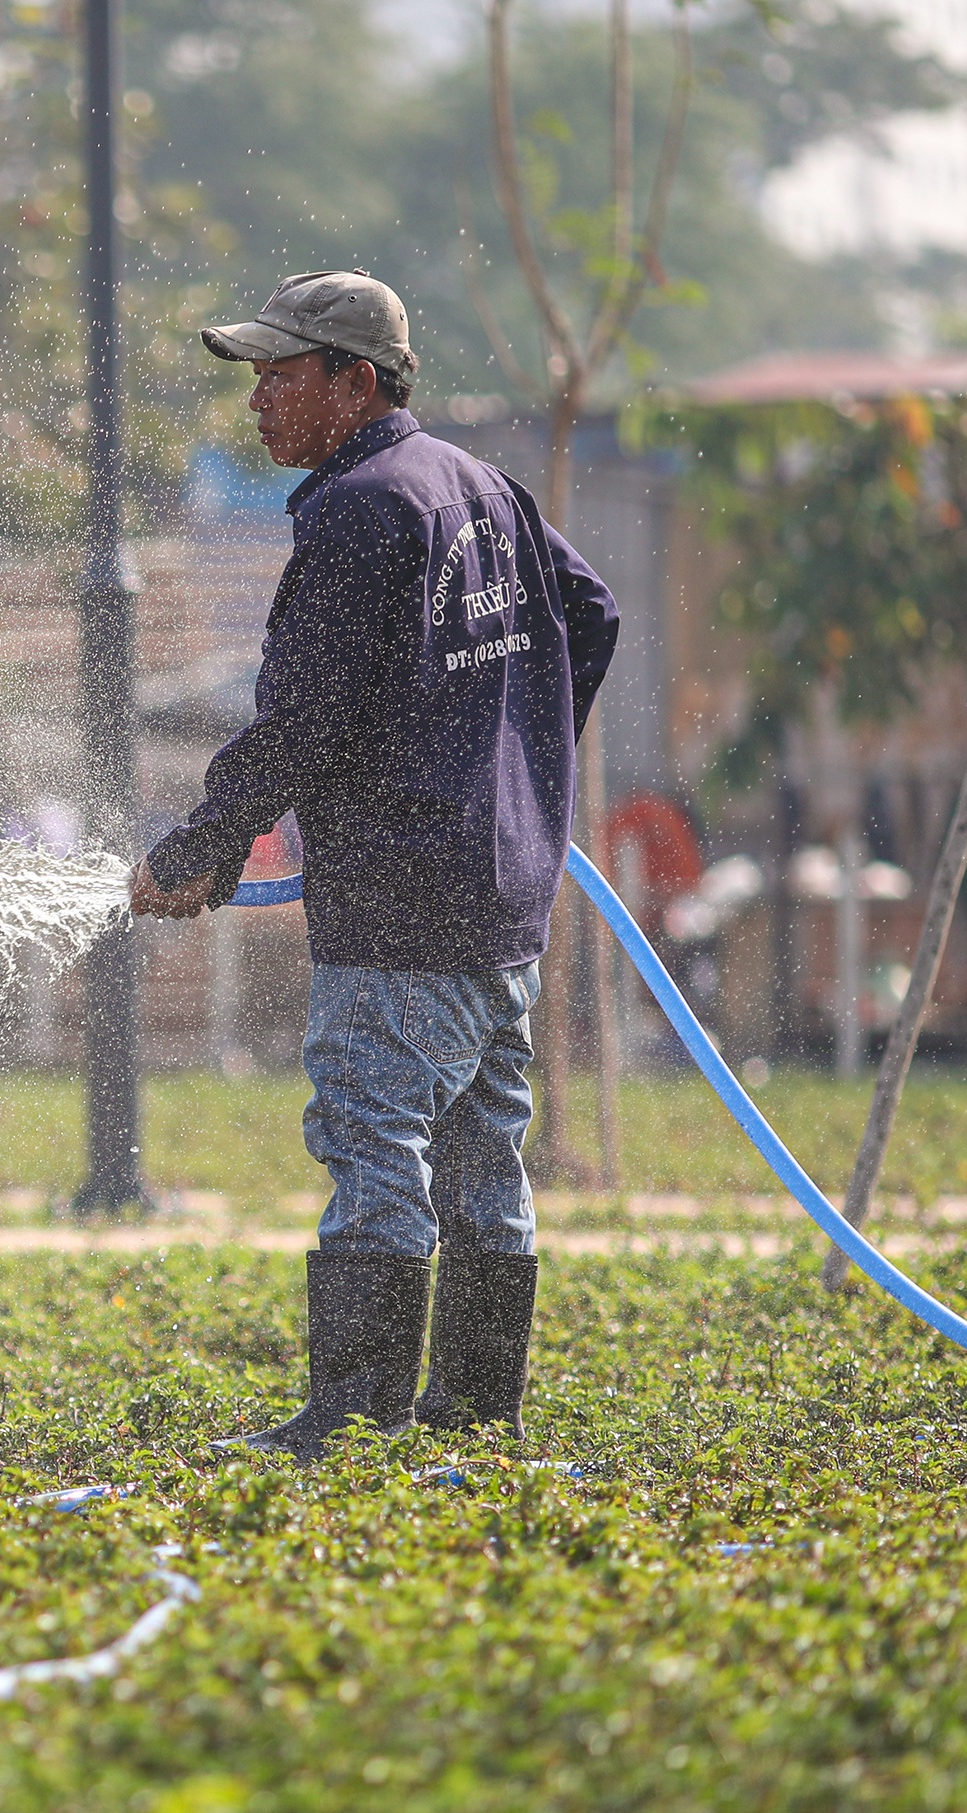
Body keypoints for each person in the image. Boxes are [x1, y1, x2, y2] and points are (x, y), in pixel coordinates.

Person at [131, 269, 618, 1460]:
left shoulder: (362, 509)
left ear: (358, 381)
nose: (257, 402)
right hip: (502, 894)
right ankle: (476, 1409)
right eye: (255, 376)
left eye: (281, 375)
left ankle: (352, 1419)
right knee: (482, 1150)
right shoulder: (476, 483)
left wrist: (198, 847)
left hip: (403, 900)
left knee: (371, 1133)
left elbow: (302, 717)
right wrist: (516, 765)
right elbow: (589, 615)